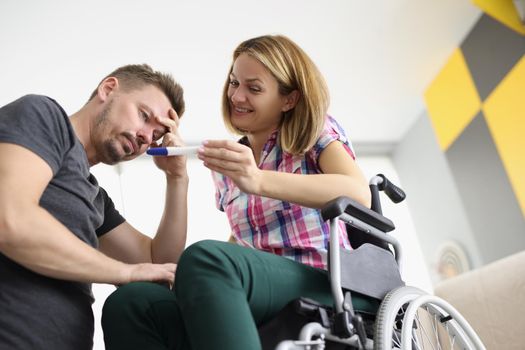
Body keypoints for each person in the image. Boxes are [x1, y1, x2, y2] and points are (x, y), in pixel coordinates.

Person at [102, 35, 371, 350]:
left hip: (326, 280)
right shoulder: (231, 163)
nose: (236, 96)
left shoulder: (312, 133)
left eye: (253, 88)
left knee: (206, 259)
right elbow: (242, 243)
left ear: (289, 100)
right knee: (134, 301)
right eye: (233, 83)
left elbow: (358, 193)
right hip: (262, 287)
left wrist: (256, 178)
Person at [0, 64, 189, 350]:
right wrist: (123, 273)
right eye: (144, 116)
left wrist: (177, 178)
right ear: (108, 89)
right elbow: (11, 220)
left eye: (157, 135)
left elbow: (156, 267)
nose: (146, 137)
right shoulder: (44, 117)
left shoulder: (93, 197)